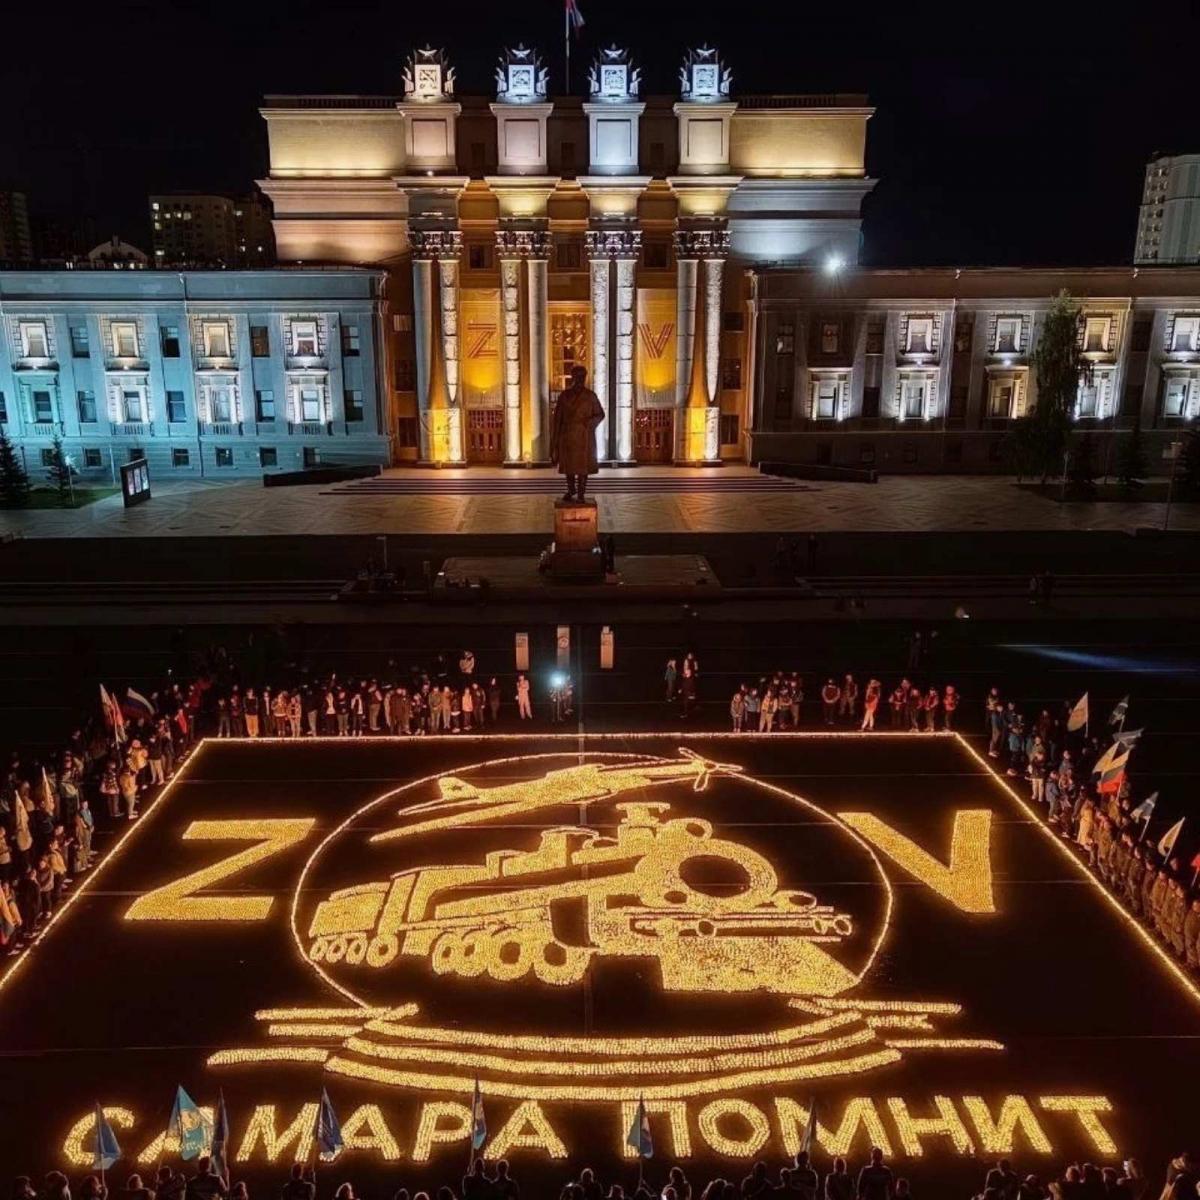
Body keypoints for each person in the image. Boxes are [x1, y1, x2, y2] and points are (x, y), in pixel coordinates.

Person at [550, 366, 605, 502]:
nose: (580, 379)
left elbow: (600, 414)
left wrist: (588, 424)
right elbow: (557, 419)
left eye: (582, 377)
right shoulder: (564, 396)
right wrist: (554, 442)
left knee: (583, 468)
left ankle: (581, 493)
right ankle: (571, 490)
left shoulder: (590, 396)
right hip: (567, 436)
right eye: (578, 377)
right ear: (573, 378)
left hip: (584, 436)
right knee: (569, 467)